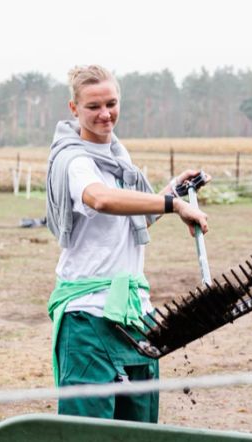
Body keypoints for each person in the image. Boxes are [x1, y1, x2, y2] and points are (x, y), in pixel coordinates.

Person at [45, 64, 209, 423]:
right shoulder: (75, 160)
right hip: (89, 317)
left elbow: (133, 218)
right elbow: (101, 199)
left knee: (140, 435)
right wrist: (172, 204)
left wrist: (172, 191)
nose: (105, 114)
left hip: (134, 314)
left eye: (111, 103)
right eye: (93, 106)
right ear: (74, 109)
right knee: (90, 438)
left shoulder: (121, 159)